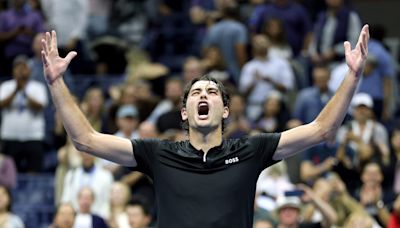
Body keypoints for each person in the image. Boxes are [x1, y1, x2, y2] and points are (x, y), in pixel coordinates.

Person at [40, 24, 370, 227]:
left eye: (212, 92)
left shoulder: (251, 149)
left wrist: (353, 77)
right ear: (184, 112)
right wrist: (56, 83)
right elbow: (85, 139)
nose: (203, 95)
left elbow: (322, 130)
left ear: (225, 111)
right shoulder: (158, 153)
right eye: (196, 92)